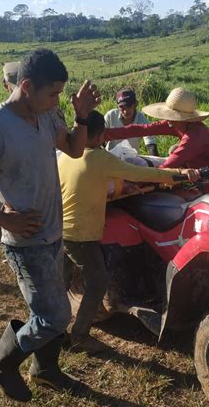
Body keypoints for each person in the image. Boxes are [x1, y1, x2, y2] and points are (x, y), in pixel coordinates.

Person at [0, 48, 100, 403]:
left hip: (53, 231)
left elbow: (74, 149)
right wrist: (2, 217)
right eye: (53, 93)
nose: (57, 99)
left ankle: (45, 370)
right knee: (56, 315)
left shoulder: (45, 114)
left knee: (46, 306)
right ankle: (1, 363)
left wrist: (82, 116)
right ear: (26, 86)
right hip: (25, 240)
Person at [59, 110, 197, 352]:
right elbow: (142, 173)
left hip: (61, 228)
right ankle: (79, 335)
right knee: (98, 281)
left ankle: (53, 328)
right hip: (81, 234)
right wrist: (177, 175)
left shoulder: (66, 156)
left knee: (60, 280)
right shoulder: (101, 159)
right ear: (102, 135)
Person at [104, 87, 209, 177]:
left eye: (171, 116)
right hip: (203, 173)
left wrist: (136, 178)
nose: (167, 120)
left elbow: (167, 166)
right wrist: (104, 134)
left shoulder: (194, 137)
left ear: (183, 118)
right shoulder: (176, 124)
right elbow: (141, 129)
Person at [104, 88, 159, 156]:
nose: (125, 111)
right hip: (111, 157)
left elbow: (151, 144)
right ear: (118, 107)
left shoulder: (141, 119)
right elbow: (100, 138)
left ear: (135, 104)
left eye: (129, 106)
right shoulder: (111, 116)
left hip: (131, 159)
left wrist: (156, 164)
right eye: (122, 107)